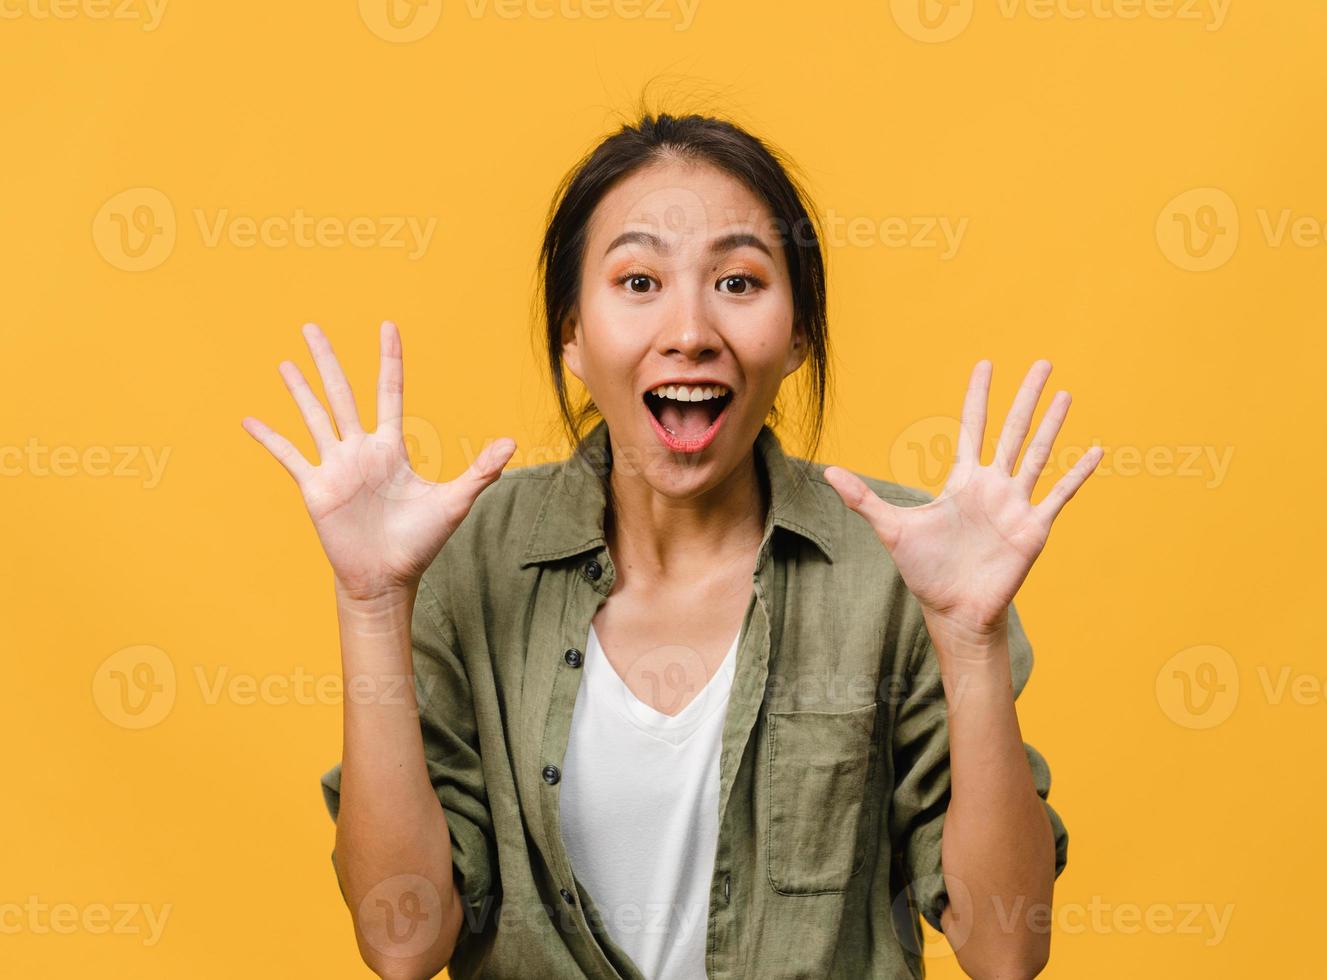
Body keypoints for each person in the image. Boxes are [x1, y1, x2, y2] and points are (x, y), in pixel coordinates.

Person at [242, 111, 1102, 980]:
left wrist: (971, 640)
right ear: (572, 334)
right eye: (639, 280)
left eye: (737, 281)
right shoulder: (466, 558)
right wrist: (372, 603)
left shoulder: (902, 563)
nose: (690, 329)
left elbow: (1005, 949)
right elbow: (402, 941)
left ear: (799, 333)